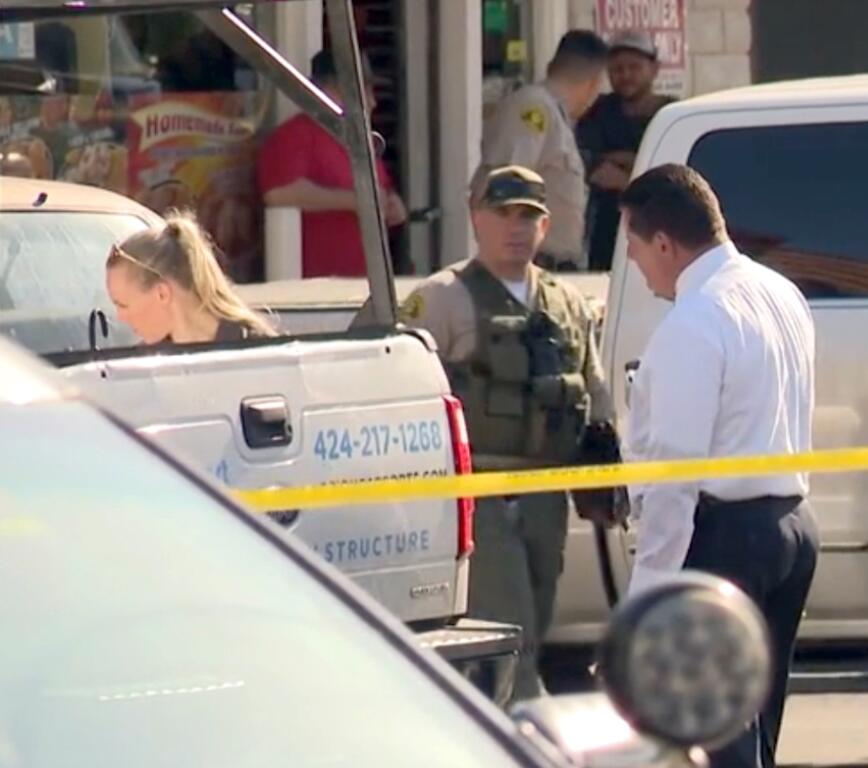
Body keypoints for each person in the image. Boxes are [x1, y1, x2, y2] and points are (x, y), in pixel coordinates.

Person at [618, 163, 819, 768]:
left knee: (716, 739)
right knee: (757, 731)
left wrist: (644, 599)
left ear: (662, 243)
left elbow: (674, 480)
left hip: (723, 538)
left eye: (632, 248)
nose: (634, 265)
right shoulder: (779, 292)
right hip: (790, 525)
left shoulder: (694, 321)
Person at [397, 165, 620, 703]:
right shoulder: (443, 298)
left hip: (546, 496)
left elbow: (593, 385)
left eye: (529, 216)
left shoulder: (565, 302)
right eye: (503, 214)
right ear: (476, 216)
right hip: (483, 496)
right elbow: (398, 381)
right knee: (511, 630)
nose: (516, 227)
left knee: (536, 624)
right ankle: (521, 736)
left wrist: (604, 461)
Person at [257, 49, 407, 277]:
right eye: (364, 90)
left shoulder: (359, 141)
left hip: (366, 282)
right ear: (331, 89)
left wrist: (392, 202)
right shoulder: (294, 135)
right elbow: (278, 193)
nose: (373, 103)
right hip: (316, 288)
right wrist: (354, 200)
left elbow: (382, 187)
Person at [481, 30, 608, 271]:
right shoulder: (533, 109)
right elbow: (506, 186)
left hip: (551, 267)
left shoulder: (554, 116)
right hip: (533, 265)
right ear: (594, 83)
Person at [576, 30, 674, 270]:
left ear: (654, 68)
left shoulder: (669, 115)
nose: (626, 75)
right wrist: (639, 163)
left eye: (634, 67)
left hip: (661, 232)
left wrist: (626, 177)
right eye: (617, 69)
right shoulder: (598, 112)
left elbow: (672, 175)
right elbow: (591, 166)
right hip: (607, 233)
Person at [106, 210, 276, 344]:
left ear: (162, 294)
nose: (120, 317)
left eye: (123, 305)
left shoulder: (258, 353)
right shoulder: (140, 369)